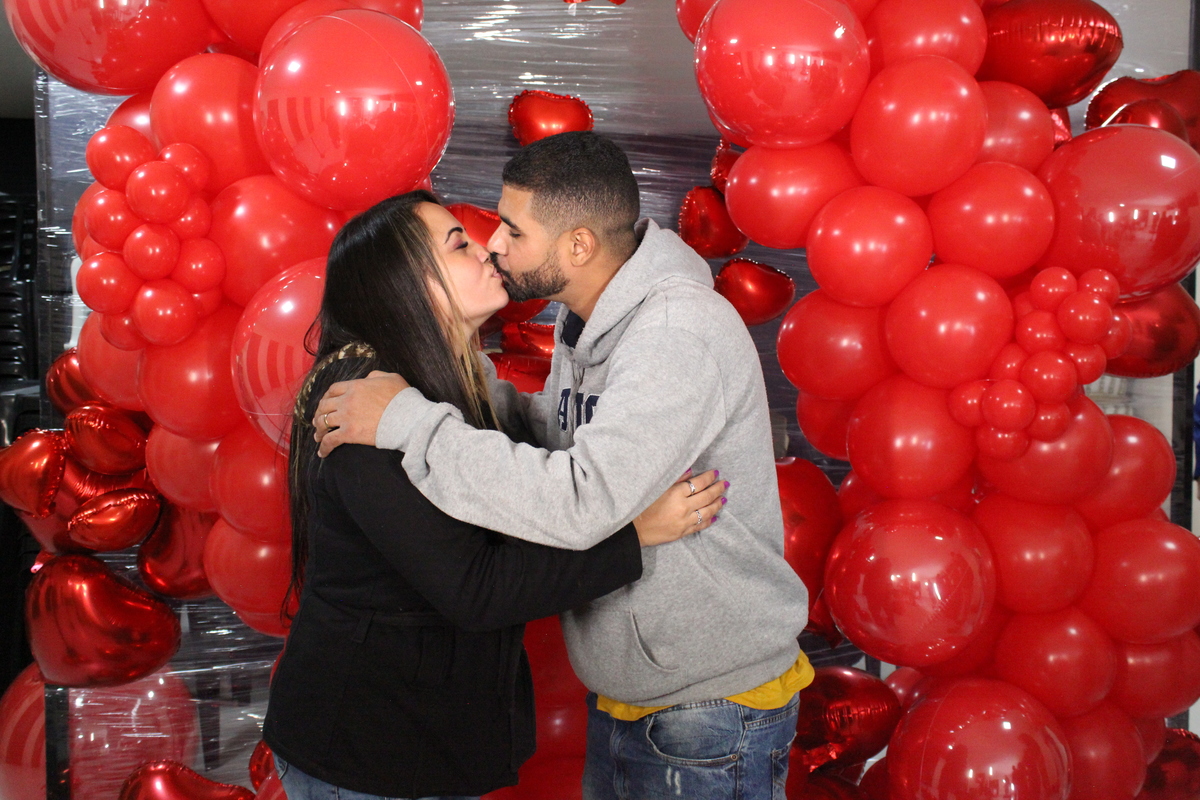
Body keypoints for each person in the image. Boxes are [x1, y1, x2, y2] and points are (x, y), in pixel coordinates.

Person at [313, 131, 812, 800]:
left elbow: (580, 500)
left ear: (578, 246)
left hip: (706, 707)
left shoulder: (673, 336)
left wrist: (412, 421)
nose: (494, 244)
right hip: (639, 693)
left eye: (513, 230)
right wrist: (463, 395)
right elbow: (562, 436)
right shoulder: (592, 321)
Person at [263, 190, 729, 800]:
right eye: (458, 244)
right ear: (403, 282)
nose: (486, 251)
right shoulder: (367, 404)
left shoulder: (439, 387)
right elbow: (476, 587)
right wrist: (635, 534)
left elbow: (515, 479)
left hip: (416, 741)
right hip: (367, 752)